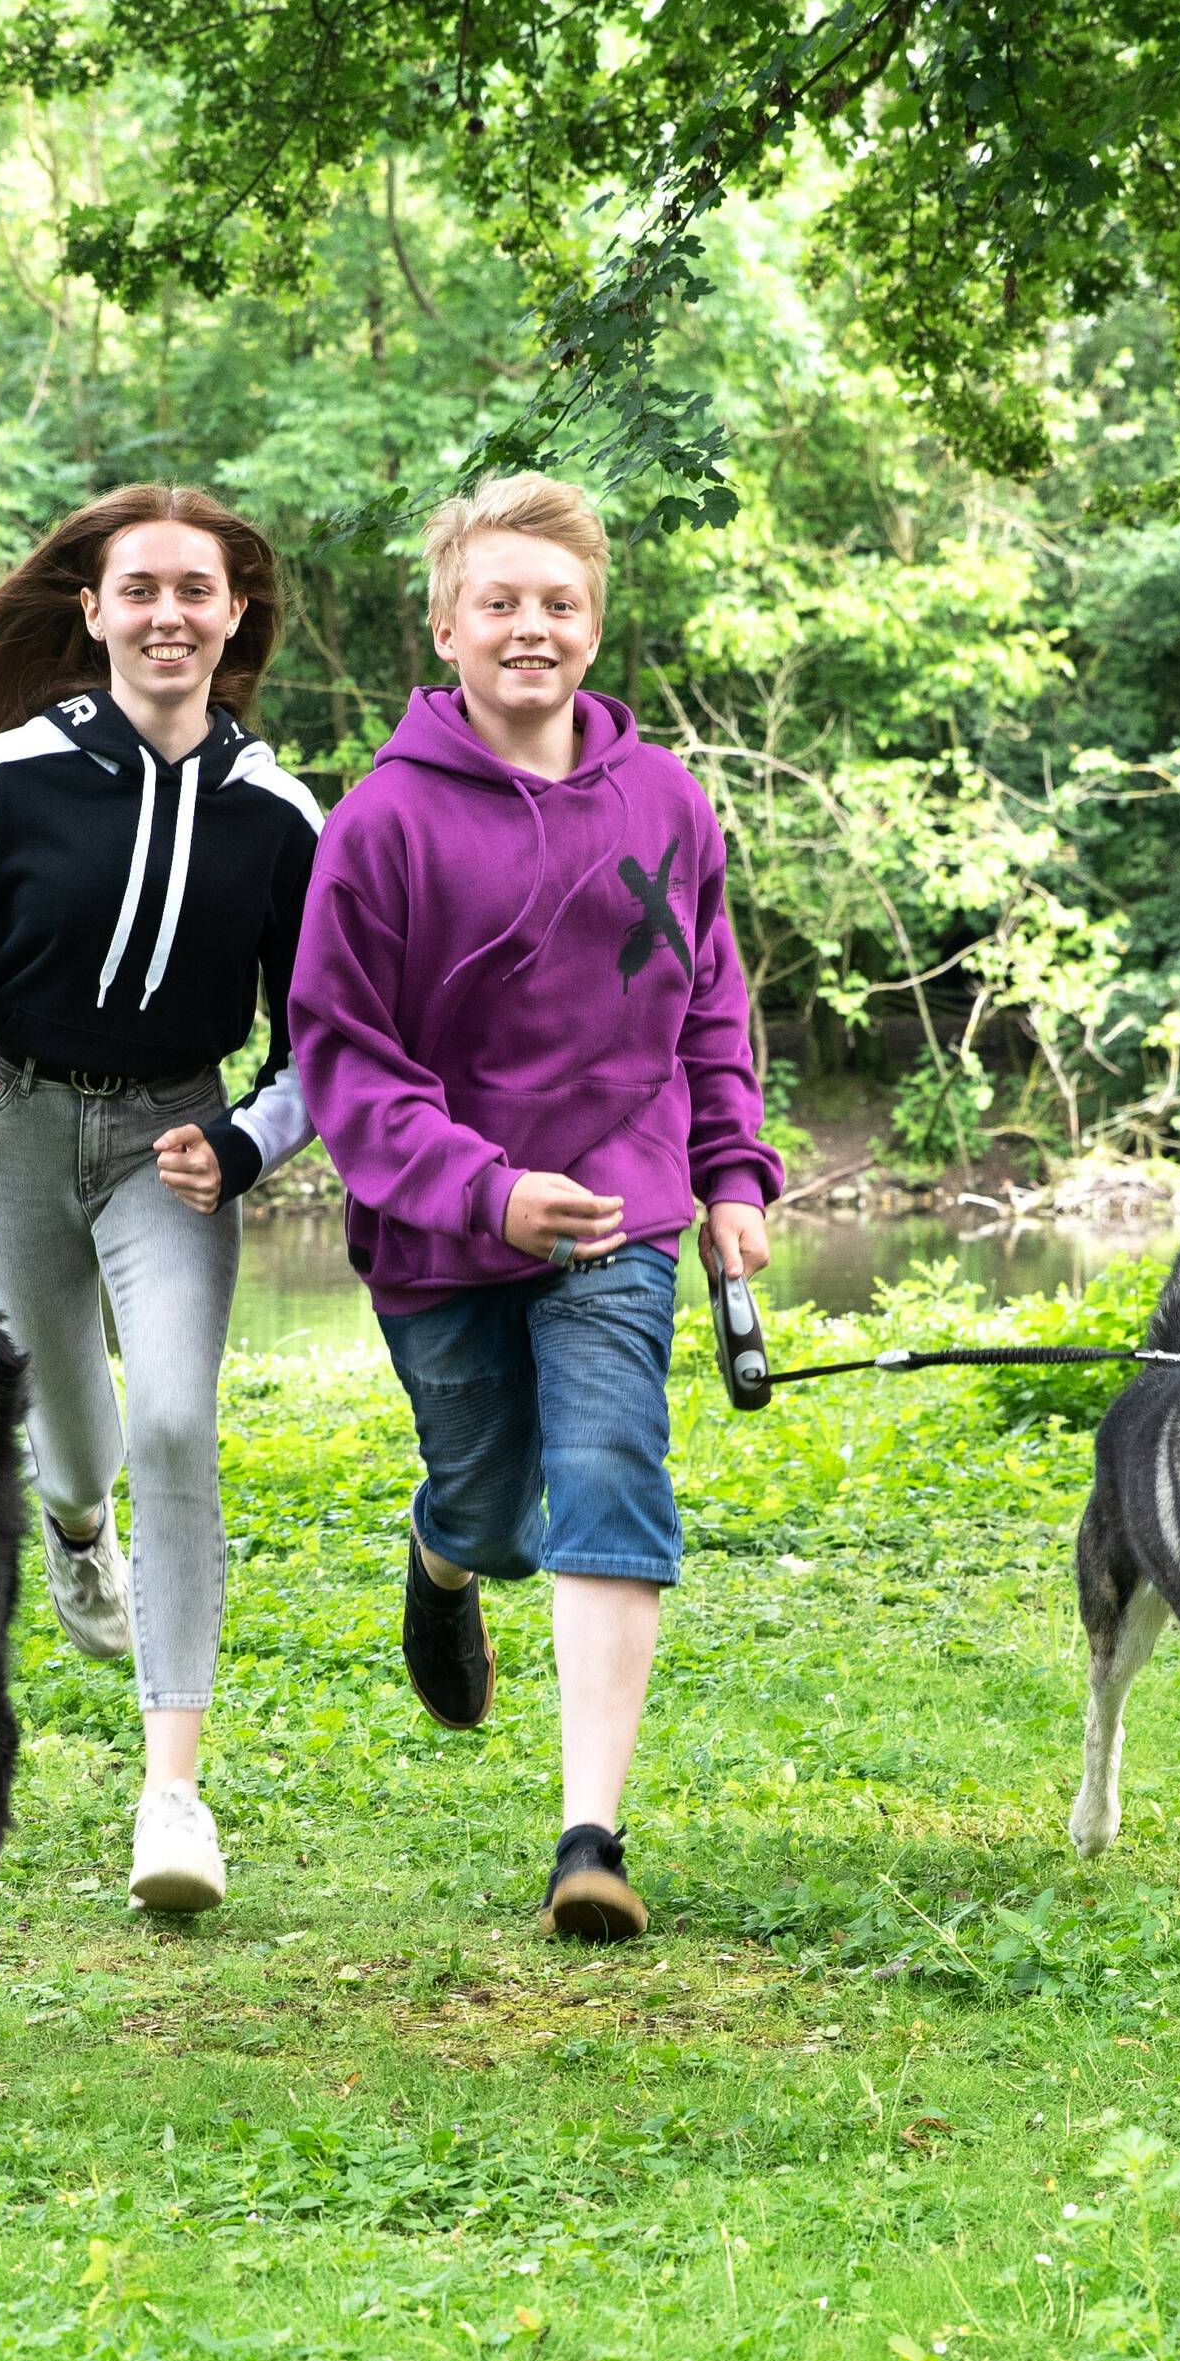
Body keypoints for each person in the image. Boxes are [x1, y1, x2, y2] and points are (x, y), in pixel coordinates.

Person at [288, 471, 780, 1939]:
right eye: (498, 602)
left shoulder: (664, 797)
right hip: (444, 1234)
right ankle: (445, 1558)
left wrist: (729, 1171)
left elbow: (708, 1000)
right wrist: (488, 1193)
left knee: (611, 1470)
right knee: (497, 1509)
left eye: (559, 604)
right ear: (446, 628)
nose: (531, 627)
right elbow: (343, 1057)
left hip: (620, 1211)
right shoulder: (378, 825)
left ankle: (589, 1840)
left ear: (595, 627)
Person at [0, 483, 322, 1914]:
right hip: (2, 1123)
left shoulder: (280, 814)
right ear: (95, 611)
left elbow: (322, 1042)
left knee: (175, 1420)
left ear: (234, 616)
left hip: (169, 1142)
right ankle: (74, 1525)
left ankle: (172, 1797)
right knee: (57, 1432)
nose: (168, 614)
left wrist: (245, 1143)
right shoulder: (16, 774)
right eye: (141, 590)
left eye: (197, 590)